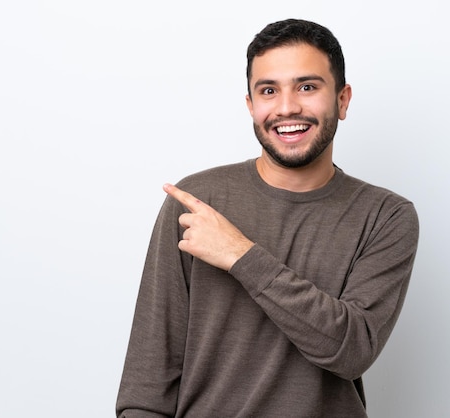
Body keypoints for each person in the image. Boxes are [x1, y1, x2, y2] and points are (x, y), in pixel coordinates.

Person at [116, 18, 419, 417]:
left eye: (307, 87)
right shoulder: (197, 203)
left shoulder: (385, 216)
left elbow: (350, 350)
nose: (287, 107)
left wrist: (240, 255)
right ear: (250, 106)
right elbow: (148, 382)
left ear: (342, 100)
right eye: (269, 90)